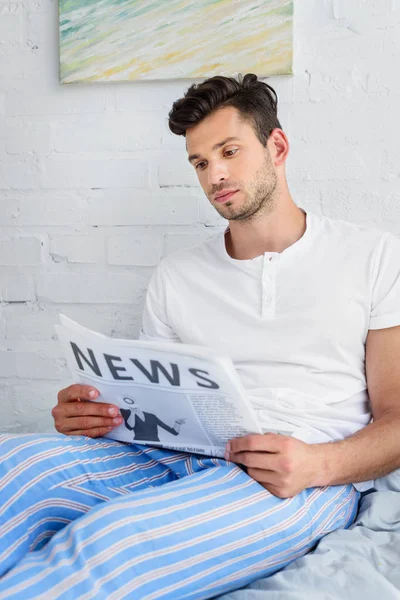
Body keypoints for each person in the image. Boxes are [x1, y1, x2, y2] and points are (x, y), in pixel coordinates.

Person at [1, 73, 400, 599]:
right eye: (200, 162)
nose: (215, 174)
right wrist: (94, 413)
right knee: (15, 469)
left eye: (229, 151)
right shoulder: (176, 275)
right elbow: (155, 406)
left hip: (293, 476)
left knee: (113, 542)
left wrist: (318, 465)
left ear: (276, 146)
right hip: (170, 454)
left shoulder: (371, 255)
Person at [119, 397, 187, 442]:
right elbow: (130, 427)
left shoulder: (151, 416)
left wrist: (178, 423)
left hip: (156, 444)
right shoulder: (127, 412)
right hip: (140, 444)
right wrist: (133, 413)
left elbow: (174, 432)